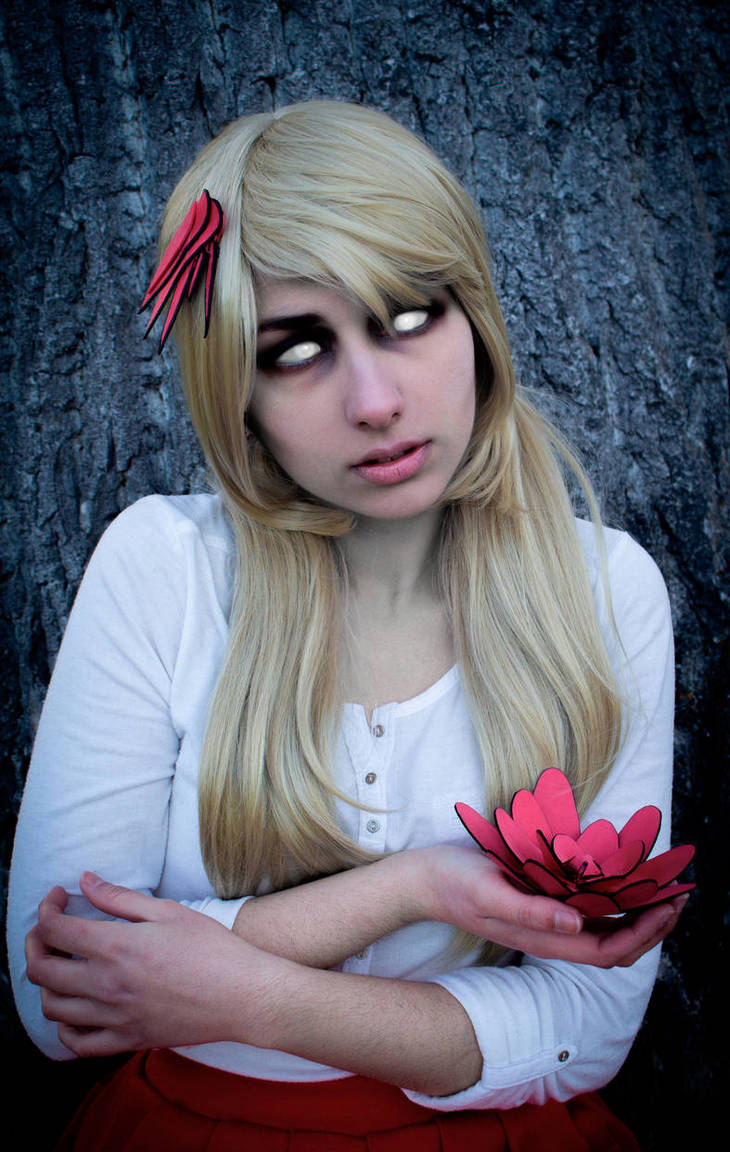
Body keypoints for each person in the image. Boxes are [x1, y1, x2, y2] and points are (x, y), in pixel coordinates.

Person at [7, 101, 686, 1150]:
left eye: (409, 315)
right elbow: (59, 998)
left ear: (477, 319)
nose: (374, 399)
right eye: (295, 348)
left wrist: (247, 996)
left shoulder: (602, 593)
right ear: (237, 392)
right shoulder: (164, 569)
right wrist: (413, 888)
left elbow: (587, 1033)